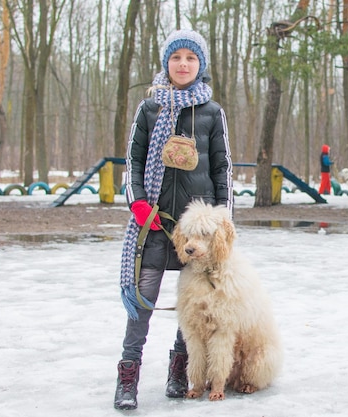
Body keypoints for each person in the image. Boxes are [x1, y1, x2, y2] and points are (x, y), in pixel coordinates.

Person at [114, 29, 233, 410]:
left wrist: (222, 220)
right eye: (177, 57)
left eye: (191, 58)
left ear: (201, 65)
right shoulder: (149, 109)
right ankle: (128, 376)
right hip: (153, 225)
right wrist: (138, 204)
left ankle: (179, 371)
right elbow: (132, 161)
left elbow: (222, 168)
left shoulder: (213, 113)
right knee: (142, 304)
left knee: (193, 307)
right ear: (167, 62)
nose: (183, 64)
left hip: (197, 233)